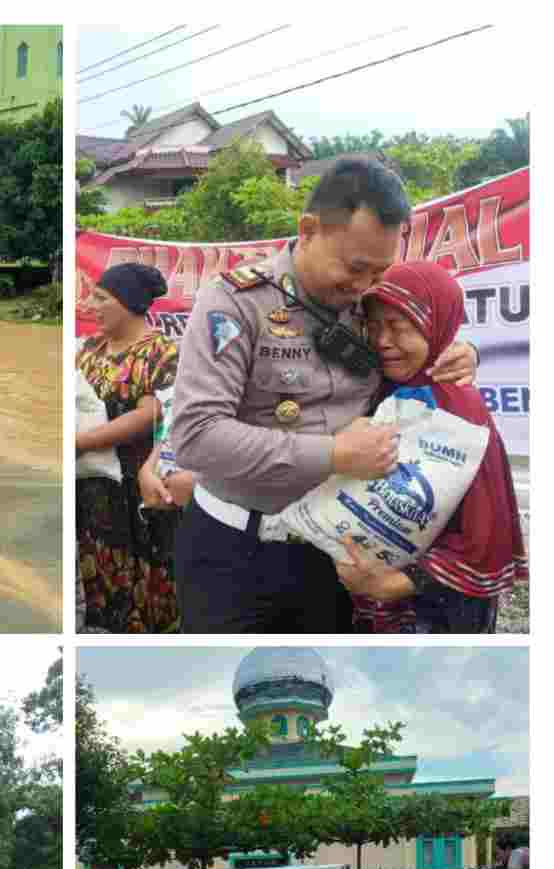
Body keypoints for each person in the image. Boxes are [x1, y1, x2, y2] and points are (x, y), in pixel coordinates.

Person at [169, 157, 479, 634]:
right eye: (355, 268)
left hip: (333, 550)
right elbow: (196, 437)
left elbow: (419, 351)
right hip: (234, 551)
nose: (364, 286)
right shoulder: (235, 301)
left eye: (379, 272)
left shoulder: (370, 304)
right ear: (309, 229)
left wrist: (460, 354)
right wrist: (334, 454)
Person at [332, 261, 528, 634]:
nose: (382, 340)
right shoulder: (379, 389)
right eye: (373, 326)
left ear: (433, 326)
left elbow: (482, 540)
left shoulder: (457, 408)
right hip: (365, 596)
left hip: (435, 610)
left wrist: (394, 584)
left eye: (397, 327)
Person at [77, 263, 181, 633]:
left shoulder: (163, 352)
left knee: (150, 585)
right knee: (98, 577)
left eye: (100, 298)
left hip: (141, 490)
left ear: (128, 302)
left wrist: (81, 442)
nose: (90, 304)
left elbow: (152, 412)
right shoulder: (88, 349)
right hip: (91, 491)